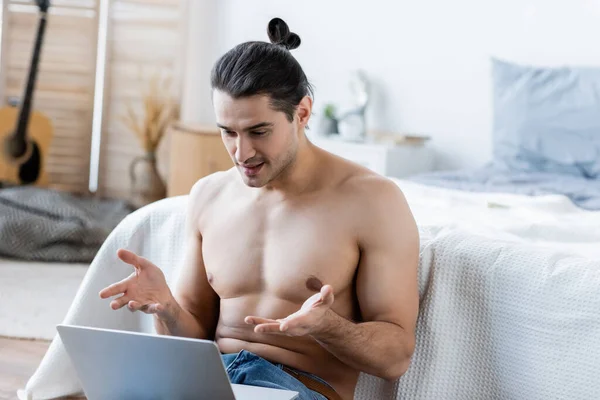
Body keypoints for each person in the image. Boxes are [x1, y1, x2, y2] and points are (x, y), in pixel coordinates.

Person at [99, 17, 419, 400]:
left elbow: (396, 356)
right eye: (228, 132)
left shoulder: (372, 200)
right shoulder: (209, 195)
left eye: (258, 132)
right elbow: (195, 334)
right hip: (211, 383)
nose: (241, 153)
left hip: (299, 388)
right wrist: (166, 307)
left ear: (302, 113)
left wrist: (325, 325)